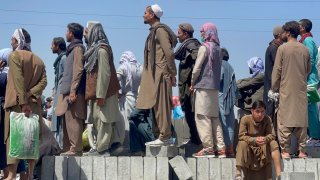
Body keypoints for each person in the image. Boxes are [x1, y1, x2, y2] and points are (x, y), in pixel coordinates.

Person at [4, 28, 47, 180]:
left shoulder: (14, 56)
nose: (11, 42)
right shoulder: (39, 60)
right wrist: (30, 94)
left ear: (17, 41)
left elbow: (18, 80)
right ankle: (28, 176)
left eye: (12, 39)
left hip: (17, 107)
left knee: (13, 144)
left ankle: (10, 176)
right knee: (31, 144)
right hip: (34, 107)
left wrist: (23, 103)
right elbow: (44, 82)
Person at [136, 4, 178, 146]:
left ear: (152, 15)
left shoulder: (160, 31)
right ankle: (161, 134)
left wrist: (172, 73)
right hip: (155, 74)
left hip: (162, 73)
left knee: (162, 106)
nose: (143, 15)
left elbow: (169, 52)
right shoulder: (153, 31)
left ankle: (165, 136)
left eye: (145, 12)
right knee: (156, 106)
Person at [271, 21, 310, 158]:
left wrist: (274, 87)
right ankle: (302, 151)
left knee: (284, 120)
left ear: (287, 32)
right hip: (300, 89)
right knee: (301, 120)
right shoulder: (304, 49)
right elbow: (308, 69)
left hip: (286, 88)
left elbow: (277, 70)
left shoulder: (282, 49)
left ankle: (286, 151)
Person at [83, 21, 122, 156]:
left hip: (104, 93)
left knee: (105, 120)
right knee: (96, 120)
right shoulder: (93, 50)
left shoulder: (102, 49)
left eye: (86, 31)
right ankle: (99, 147)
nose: (84, 34)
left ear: (93, 32)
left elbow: (105, 74)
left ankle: (102, 148)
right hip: (96, 93)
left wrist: (101, 95)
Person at [190, 22, 226, 158]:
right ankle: (221, 148)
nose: (201, 34)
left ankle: (208, 149)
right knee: (214, 118)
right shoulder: (218, 49)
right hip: (214, 88)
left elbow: (197, 68)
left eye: (203, 31)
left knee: (202, 117)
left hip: (203, 86)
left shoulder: (204, 48)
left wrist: (192, 82)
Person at [56, 23, 86, 156]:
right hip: (67, 91)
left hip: (75, 92)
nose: (65, 33)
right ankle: (68, 147)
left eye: (67, 31)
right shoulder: (71, 49)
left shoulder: (78, 48)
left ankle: (75, 148)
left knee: (74, 119)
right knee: (67, 119)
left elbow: (78, 70)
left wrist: (73, 90)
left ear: (72, 33)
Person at [235, 101, 281, 180]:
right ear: (252, 111)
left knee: (273, 143)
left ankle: (279, 175)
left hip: (262, 147)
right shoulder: (245, 119)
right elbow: (241, 136)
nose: (260, 114)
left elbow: (272, 135)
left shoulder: (267, 119)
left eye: (262, 112)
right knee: (241, 143)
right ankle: (238, 173)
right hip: (249, 148)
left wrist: (265, 139)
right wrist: (254, 140)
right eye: (257, 111)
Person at [174, 23, 201, 146]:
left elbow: (197, 62)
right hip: (186, 85)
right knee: (188, 112)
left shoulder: (191, 45)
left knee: (190, 113)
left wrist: (193, 83)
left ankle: (196, 140)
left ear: (186, 34)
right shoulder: (188, 45)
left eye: (179, 33)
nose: (177, 36)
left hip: (189, 86)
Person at [299, 19, 320, 146]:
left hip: (310, 79)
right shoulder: (306, 40)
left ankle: (316, 136)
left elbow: (310, 60)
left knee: (311, 108)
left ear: (303, 28)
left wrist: (304, 74)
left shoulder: (307, 41)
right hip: (309, 78)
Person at [117, 51, 142, 146]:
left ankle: (127, 145)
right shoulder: (140, 67)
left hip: (126, 98)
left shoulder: (124, 67)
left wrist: (117, 92)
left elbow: (115, 78)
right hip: (137, 97)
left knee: (125, 123)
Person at [218, 48, 238, 157]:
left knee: (223, 125)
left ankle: (225, 149)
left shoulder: (220, 65)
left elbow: (219, 78)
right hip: (230, 99)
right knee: (230, 126)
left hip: (221, 97)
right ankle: (230, 150)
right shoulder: (230, 66)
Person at [264, 26, 285, 123]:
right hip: (272, 86)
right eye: (284, 33)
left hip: (272, 84)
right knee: (271, 112)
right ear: (280, 35)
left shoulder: (274, 47)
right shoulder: (274, 48)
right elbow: (279, 67)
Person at [51, 37, 66, 148]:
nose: (51, 47)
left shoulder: (64, 58)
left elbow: (65, 79)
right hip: (59, 94)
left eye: (52, 44)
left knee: (61, 122)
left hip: (62, 95)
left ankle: (61, 146)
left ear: (57, 46)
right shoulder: (60, 59)